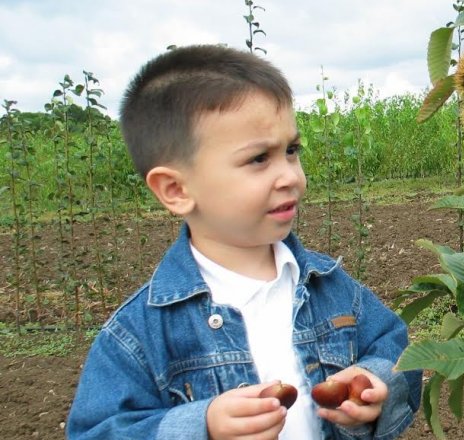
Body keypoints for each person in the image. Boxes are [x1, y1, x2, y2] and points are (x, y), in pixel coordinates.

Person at [66, 44, 421, 440]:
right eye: (258, 159)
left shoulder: (330, 287)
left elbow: (395, 347)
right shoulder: (140, 334)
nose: (290, 176)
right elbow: (96, 432)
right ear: (176, 189)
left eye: (291, 151)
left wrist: (374, 383)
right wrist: (202, 426)